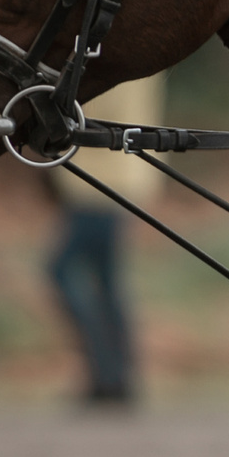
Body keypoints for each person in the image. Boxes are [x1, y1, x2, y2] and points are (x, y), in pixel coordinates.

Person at [44, 73, 165, 406]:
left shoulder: (103, 57)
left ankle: (107, 371)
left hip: (98, 183)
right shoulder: (141, 57)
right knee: (107, 281)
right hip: (123, 178)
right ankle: (117, 376)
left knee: (60, 270)